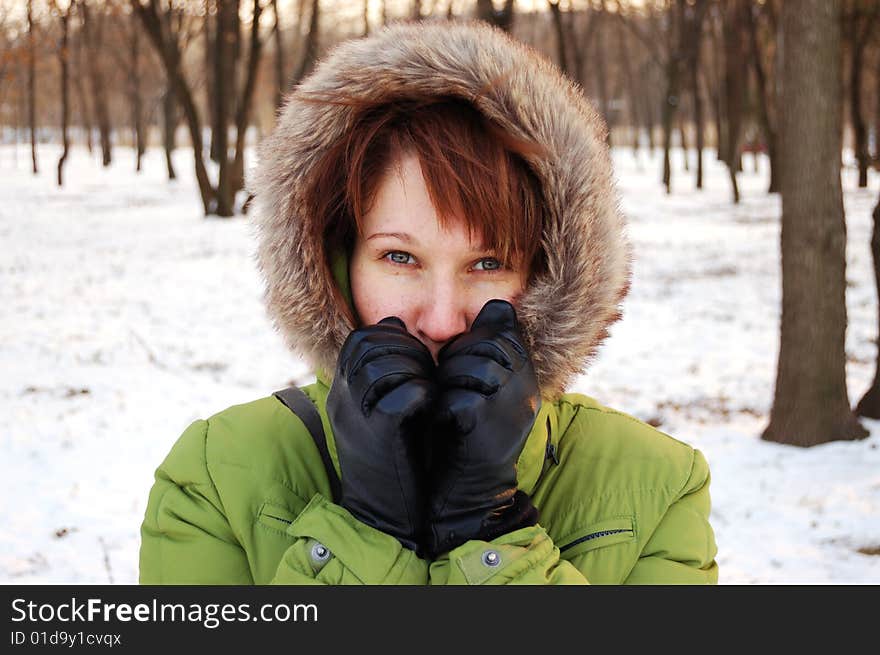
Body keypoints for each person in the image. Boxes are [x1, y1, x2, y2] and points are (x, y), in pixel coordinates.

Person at [139, 18, 718, 585]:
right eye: (399, 258)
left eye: (488, 264)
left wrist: (490, 537)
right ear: (335, 265)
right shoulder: (214, 479)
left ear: (549, 274)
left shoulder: (658, 487)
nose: (442, 320)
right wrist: (367, 536)